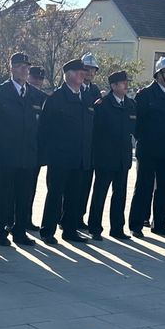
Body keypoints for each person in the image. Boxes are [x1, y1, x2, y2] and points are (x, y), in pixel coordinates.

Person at [0, 51, 45, 247]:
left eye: (27, 67)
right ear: (11, 68)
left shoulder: (35, 94)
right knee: (5, 194)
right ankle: (1, 230)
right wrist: (0, 145)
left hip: (28, 154)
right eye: (19, 66)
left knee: (24, 194)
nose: (24, 70)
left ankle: (19, 231)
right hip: (7, 154)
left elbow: (42, 126)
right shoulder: (0, 93)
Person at [38, 58, 94, 244]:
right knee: (55, 195)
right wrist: (49, 155)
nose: (83, 74)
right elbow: (44, 130)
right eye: (79, 72)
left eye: (83, 72)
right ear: (68, 75)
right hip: (60, 157)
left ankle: (69, 230)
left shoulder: (85, 98)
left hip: (79, 157)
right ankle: (48, 230)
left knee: (74, 196)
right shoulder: (56, 99)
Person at [128, 57, 165, 238]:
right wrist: (145, 140)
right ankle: (136, 224)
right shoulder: (145, 95)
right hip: (150, 151)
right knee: (143, 187)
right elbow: (136, 124)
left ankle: (159, 223)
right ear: (159, 75)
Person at [87, 70, 136, 240]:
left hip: (123, 158)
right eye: (122, 83)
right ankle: (94, 227)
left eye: (126, 82)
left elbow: (133, 130)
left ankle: (117, 228)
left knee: (120, 195)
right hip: (105, 157)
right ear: (113, 86)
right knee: (100, 194)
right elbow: (95, 132)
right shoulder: (102, 105)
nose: (126, 85)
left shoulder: (130, 105)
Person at [76, 52, 103, 228]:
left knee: (86, 183)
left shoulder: (94, 90)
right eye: (86, 69)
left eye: (93, 70)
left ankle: (79, 216)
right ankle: (67, 216)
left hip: (91, 145)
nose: (90, 73)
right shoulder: (75, 88)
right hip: (76, 143)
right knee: (73, 184)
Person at [26, 65, 48, 226]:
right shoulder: (24, 94)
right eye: (34, 77)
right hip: (21, 147)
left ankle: (27, 218)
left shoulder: (44, 98)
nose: (37, 81)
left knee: (31, 186)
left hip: (37, 149)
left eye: (40, 78)